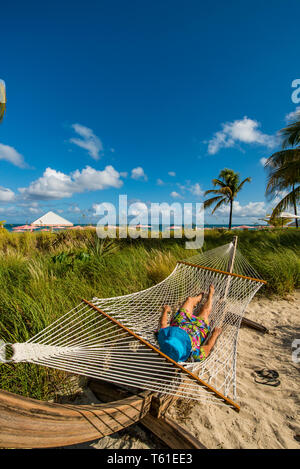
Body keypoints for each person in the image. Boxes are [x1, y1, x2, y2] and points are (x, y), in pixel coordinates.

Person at [157, 285, 222, 363]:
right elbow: (207, 349)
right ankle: (211, 295)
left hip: (179, 323)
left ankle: (198, 299)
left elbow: (163, 324)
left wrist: (165, 311)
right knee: (205, 311)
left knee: (189, 300)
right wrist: (215, 334)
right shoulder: (193, 353)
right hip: (198, 329)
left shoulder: (165, 341)